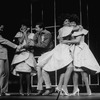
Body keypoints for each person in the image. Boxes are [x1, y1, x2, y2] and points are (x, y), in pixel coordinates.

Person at [36, 16, 81, 96]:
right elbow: (77, 28)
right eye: (66, 21)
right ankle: (63, 87)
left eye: (68, 21)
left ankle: (60, 87)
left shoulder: (65, 29)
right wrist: (78, 27)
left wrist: (68, 40)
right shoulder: (64, 29)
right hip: (63, 49)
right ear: (63, 23)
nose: (68, 23)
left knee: (66, 68)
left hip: (65, 48)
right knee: (70, 66)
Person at [61, 14, 100, 96]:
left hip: (81, 50)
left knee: (82, 71)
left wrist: (66, 42)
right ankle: (75, 89)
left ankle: (88, 88)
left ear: (76, 23)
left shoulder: (80, 29)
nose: (72, 24)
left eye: (73, 23)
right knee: (75, 71)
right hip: (74, 50)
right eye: (70, 23)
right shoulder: (71, 31)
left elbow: (77, 41)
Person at [11, 24, 37, 96]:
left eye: (24, 26)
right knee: (21, 72)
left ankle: (29, 89)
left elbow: (28, 43)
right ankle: (21, 88)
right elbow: (20, 41)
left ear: (27, 27)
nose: (22, 27)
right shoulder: (19, 34)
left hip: (28, 53)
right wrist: (23, 33)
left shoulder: (31, 34)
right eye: (21, 26)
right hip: (20, 54)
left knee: (28, 72)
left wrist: (26, 34)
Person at [31, 22, 54, 96]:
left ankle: (48, 89)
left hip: (49, 53)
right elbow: (33, 42)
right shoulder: (37, 34)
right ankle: (41, 89)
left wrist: (34, 44)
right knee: (40, 70)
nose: (35, 29)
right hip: (43, 54)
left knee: (42, 69)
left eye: (37, 28)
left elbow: (44, 45)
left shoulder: (47, 33)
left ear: (41, 28)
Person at [0, 24, 20, 96]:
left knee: (6, 73)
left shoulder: (1, 35)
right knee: (1, 73)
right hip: (0, 56)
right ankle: (0, 90)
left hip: (4, 55)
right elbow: (5, 41)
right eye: (1, 27)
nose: (2, 29)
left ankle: (4, 90)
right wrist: (16, 46)